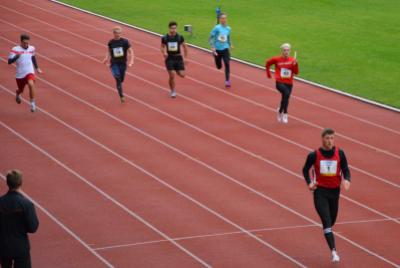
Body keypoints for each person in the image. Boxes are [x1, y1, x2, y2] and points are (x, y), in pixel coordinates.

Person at [302, 128, 351, 263]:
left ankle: (328, 230)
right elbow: (305, 169)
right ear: (322, 139)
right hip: (320, 192)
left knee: (332, 221)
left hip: (334, 193)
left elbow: (346, 169)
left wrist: (347, 179)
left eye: (332, 138)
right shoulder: (314, 155)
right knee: (327, 222)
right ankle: (334, 252)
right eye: (327, 138)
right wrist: (309, 183)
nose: (330, 141)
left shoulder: (340, 153)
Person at [0, 170, 39, 268]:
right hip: (21, 247)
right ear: (20, 183)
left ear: (8, 183)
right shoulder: (26, 204)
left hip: (3, 246)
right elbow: (33, 227)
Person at [8, 34, 43, 113]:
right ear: (21, 41)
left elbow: (33, 57)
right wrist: (16, 57)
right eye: (24, 43)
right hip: (20, 74)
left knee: (31, 84)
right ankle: (18, 93)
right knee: (20, 90)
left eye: (27, 43)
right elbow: (9, 62)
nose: (26, 44)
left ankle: (32, 103)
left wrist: (37, 68)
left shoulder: (32, 48)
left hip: (29, 71)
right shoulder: (15, 49)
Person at [266, 43, 299, 123]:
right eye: (284, 50)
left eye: (288, 50)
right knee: (286, 94)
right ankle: (285, 113)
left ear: (290, 51)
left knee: (285, 97)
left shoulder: (292, 60)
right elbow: (268, 63)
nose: (286, 52)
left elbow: (296, 72)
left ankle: (280, 110)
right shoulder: (276, 59)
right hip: (279, 82)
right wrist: (268, 73)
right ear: (282, 51)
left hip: (289, 82)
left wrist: (295, 64)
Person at [103, 26, 134, 103]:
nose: (118, 34)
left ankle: (120, 84)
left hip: (123, 63)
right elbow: (109, 51)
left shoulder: (125, 41)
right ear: (113, 33)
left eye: (120, 33)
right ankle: (121, 96)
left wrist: (131, 61)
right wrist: (106, 58)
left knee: (121, 79)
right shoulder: (111, 42)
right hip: (114, 63)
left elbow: (131, 51)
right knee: (117, 77)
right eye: (117, 33)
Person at [161, 21, 188, 98]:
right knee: (172, 75)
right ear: (169, 28)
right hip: (169, 58)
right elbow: (162, 47)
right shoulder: (165, 38)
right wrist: (164, 53)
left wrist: (185, 58)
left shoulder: (180, 37)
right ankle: (172, 91)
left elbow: (185, 47)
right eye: (172, 28)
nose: (174, 30)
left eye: (175, 28)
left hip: (178, 58)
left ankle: (176, 69)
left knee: (182, 75)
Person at [209, 13, 233, 88]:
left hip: (225, 48)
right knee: (219, 66)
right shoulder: (216, 28)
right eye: (222, 18)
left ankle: (227, 81)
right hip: (217, 50)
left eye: (225, 18)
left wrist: (230, 44)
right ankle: (215, 58)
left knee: (227, 63)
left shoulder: (228, 28)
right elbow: (210, 38)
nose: (224, 20)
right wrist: (212, 47)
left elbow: (228, 37)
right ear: (219, 19)